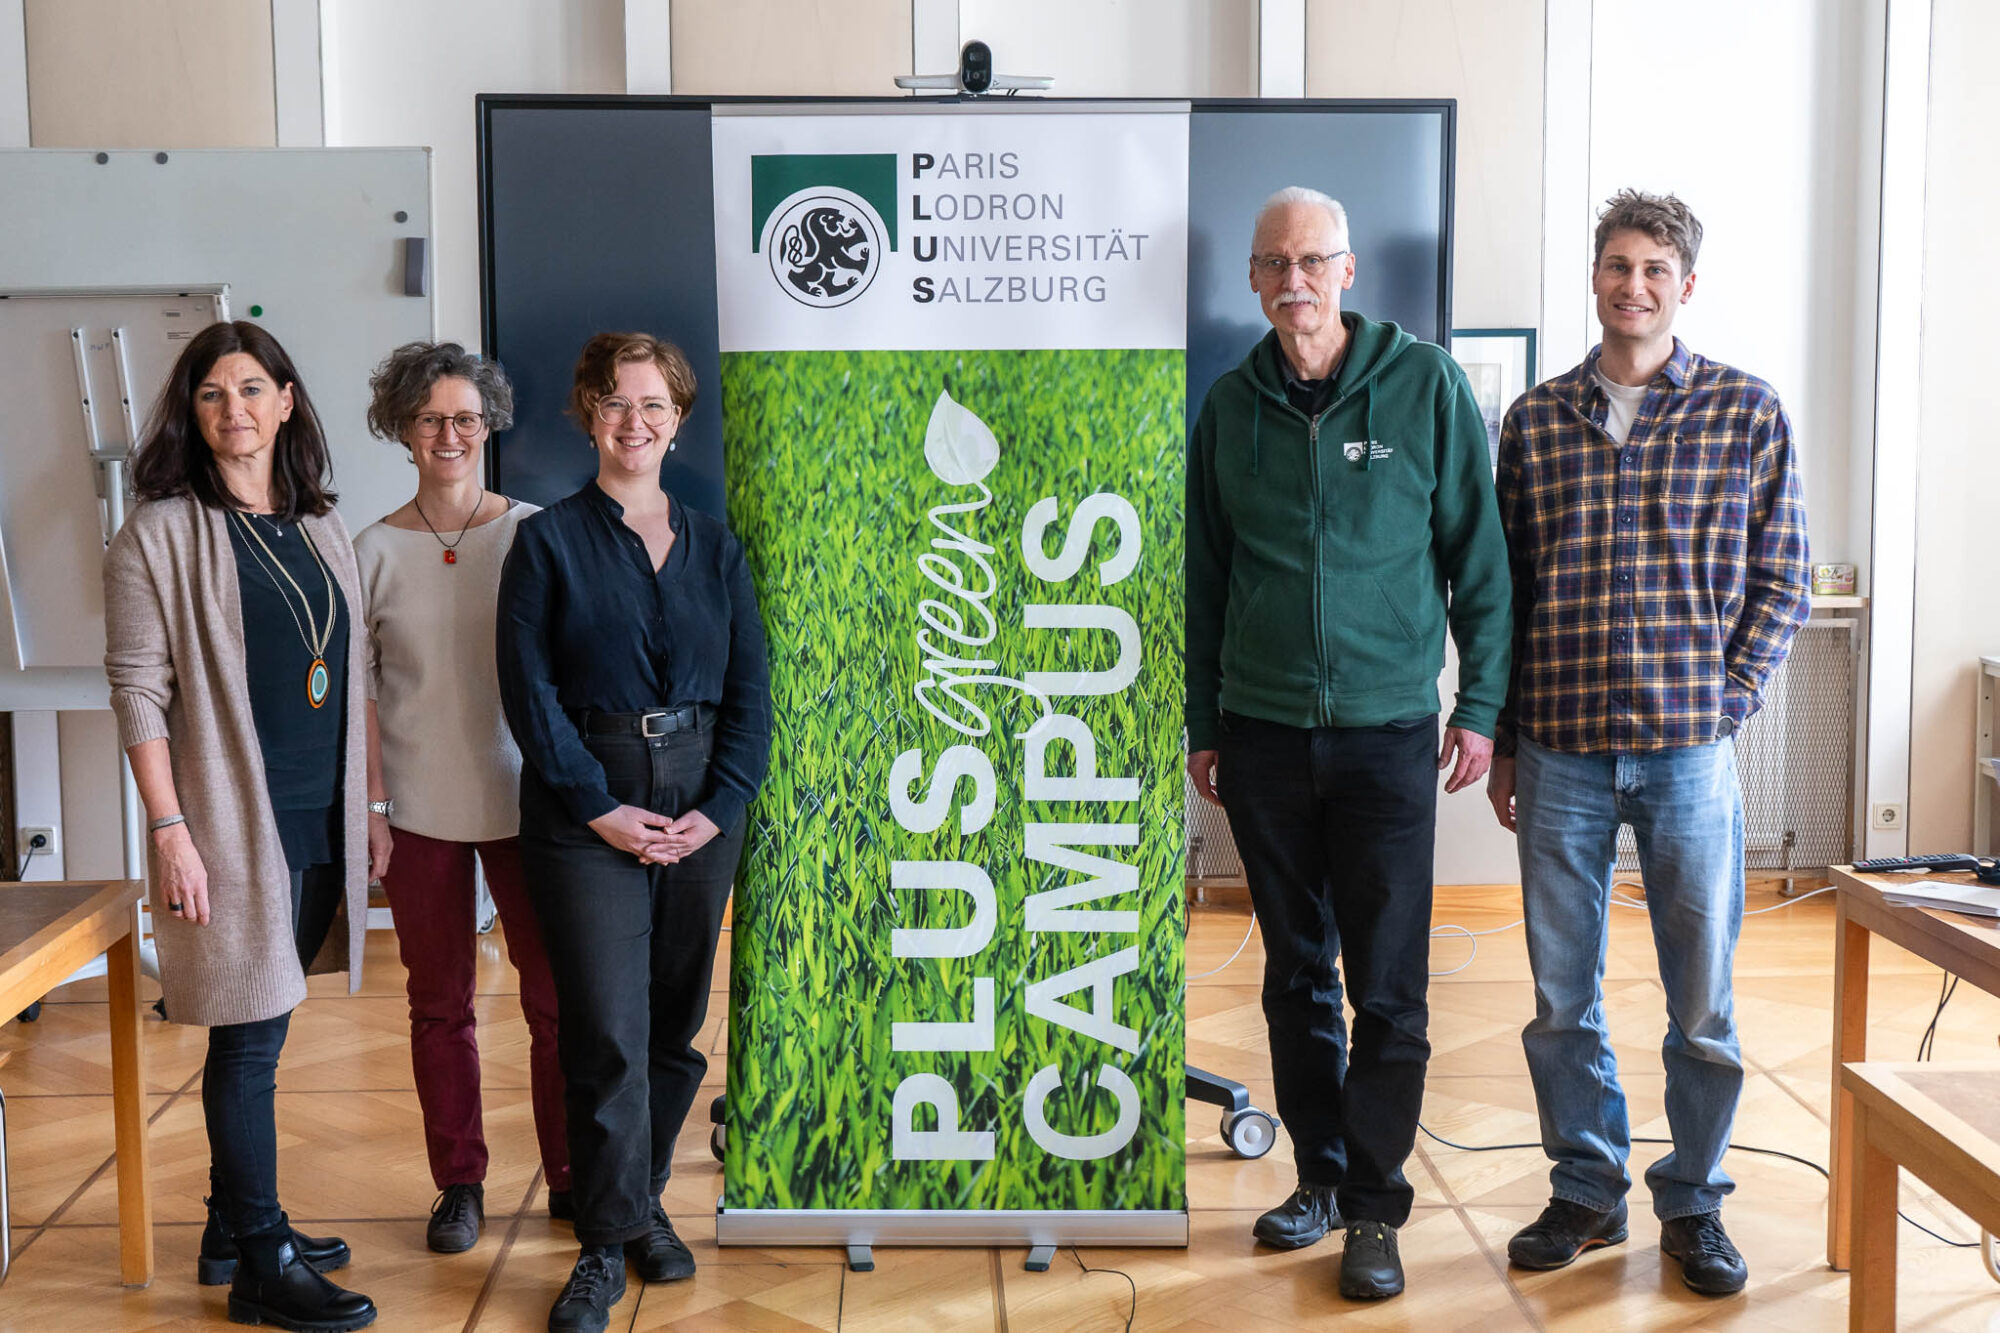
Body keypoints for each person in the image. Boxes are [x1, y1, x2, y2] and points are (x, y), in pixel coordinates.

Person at [1185, 187, 1512, 1300]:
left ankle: (1375, 1206)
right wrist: (1205, 723)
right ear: (1251, 277)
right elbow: (1205, 580)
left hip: (1386, 737)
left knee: (1388, 986)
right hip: (1263, 735)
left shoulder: (1424, 387)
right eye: (1274, 262)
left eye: (1313, 260)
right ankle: (1319, 1178)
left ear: (1348, 270)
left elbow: (1479, 563)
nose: (1295, 281)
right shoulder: (1230, 407)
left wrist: (1479, 708)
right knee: (1294, 976)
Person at [1487, 189, 1810, 1296]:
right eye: (1617, 265)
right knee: (1558, 997)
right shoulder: (1534, 422)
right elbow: (1505, 591)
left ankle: (1695, 1200)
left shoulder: (1746, 411)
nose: (1634, 286)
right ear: (1594, 277)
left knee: (1702, 1002)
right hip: (1561, 748)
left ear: (1685, 286)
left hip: (1687, 755)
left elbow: (1782, 574)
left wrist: (1729, 696)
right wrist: (1506, 740)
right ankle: (1585, 1186)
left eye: (1654, 270)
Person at [103, 320, 380, 1330]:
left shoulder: (321, 525)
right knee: (249, 1035)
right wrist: (171, 829)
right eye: (213, 393)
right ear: (193, 411)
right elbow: (137, 690)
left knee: (268, 1017)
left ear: (287, 401)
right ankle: (262, 1259)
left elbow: (354, 673)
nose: (235, 410)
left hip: (318, 814)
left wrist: (372, 810)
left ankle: (228, 1226)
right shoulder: (158, 534)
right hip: (226, 824)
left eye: (253, 389)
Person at [497, 332, 771, 1333]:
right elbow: (528, 697)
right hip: (585, 809)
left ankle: (640, 1201)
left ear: (678, 420)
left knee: (671, 1028)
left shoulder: (717, 547)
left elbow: (750, 696)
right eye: (615, 402)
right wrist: (600, 808)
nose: (634, 421)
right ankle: (603, 1249)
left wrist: (718, 806)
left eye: (654, 404)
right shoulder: (546, 544)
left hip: (701, 805)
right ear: (588, 415)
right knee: (606, 1029)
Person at [353, 341, 569, 1256]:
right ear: (403, 430)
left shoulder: (536, 532)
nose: (450, 434)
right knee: (439, 1004)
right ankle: (460, 1184)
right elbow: (361, 692)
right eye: (431, 419)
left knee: (555, 1002)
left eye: (466, 418)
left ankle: (573, 1176)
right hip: (416, 811)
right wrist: (371, 809)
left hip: (531, 805)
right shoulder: (370, 551)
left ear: (490, 426)